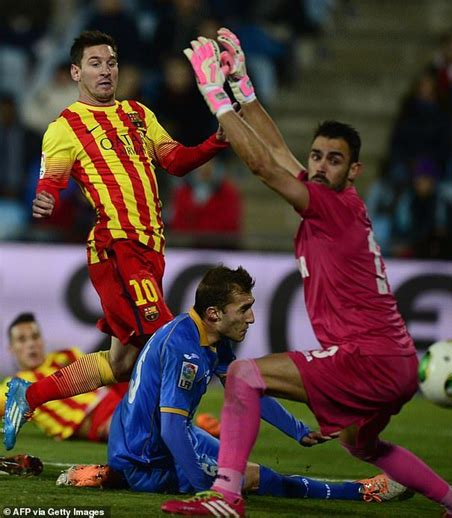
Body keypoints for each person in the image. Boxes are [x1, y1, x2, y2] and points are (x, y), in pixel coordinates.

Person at [161, 29, 452, 517]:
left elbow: (265, 167)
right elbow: (280, 155)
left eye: (335, 159)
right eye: (317, 157)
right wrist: (244, 90)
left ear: (355, 171)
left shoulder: (331, 206)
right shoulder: (334, 200)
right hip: (397, 363)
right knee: (362, 446)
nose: (321, 166)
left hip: (365, 358)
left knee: (244, 374)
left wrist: (215, 98)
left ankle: (225, 496)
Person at [3, 30, 229, 451]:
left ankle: (29, 395)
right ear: (76, 72)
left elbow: (175, 161)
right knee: (169, 338)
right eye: (95, 63)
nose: (106, 70)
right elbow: (50, 183)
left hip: (151, 249)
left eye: (111, 62)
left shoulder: (139, 114)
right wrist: (44, 201)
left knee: (121, 363)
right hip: (117, 247)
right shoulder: (65, 127)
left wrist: (218, 140)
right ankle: (177, 440)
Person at [57, 265, 410, 504]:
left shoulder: (205, 335)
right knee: (254, 477)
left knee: (231, 463)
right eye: (243, 309)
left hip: (144, 440)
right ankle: (361, 491)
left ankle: (114, 474)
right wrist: (204, 491)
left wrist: (298, 430)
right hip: (149, 458)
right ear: (214, 313)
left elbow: (247, 388)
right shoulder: (187, 352)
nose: (252, 318)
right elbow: (171, 429)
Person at [0, 313, 127, 443]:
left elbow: (106, 375)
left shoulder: (66, 356)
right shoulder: (14, 385)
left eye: (35, 337)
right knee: (133, 429)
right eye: (22, 339)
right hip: (97, 419)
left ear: (42, 341)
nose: (31, 344)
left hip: (118, 397)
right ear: (11, 348)